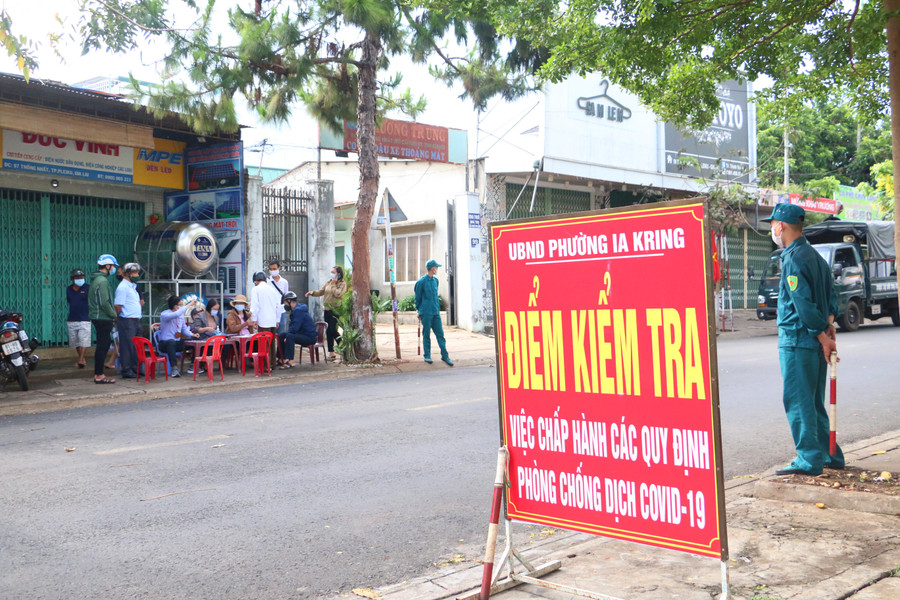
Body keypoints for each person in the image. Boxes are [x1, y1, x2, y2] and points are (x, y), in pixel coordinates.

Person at [762, 203, 843, 476]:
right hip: (815, 339)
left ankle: (809, 459)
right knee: (813, 400)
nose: (772, 228)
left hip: (798, 340)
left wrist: (822, 336)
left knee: (798, 401)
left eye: (772, 223)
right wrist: (829, 328)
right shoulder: (815, 256)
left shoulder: (793, 258)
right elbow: (832, 295)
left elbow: (802, 304)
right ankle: (830, 454)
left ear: (781, 226)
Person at [414, 259, 453, 366]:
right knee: (426, 334)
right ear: (432, 268)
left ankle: (445, 356)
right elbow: (417, 298)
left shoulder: (436, 281)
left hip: (435, 312)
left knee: (440, 334)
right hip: (426, 312)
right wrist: (419, 310)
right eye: (436, 267)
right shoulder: (421, 282)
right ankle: (427, 355)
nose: (437, 269)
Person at [305, 265, 347, 361]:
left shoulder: (342, 284)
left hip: (335, 310)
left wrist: (333, 284)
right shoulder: (329, 282)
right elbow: (322, 291)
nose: (331, 274)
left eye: (333, 272)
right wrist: (313, 293)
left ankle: (343, 347)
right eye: (331, 272)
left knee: (333, 330)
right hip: (327, 309)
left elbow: (338, 294)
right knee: (328, 331)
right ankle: (331, 352)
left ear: (339, 274)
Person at [88, 254, 119, 384]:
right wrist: (114, 315)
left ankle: (99, 373)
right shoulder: (102, 281)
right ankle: (99, 374)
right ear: (107, 266)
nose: (114, 269)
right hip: (102, 317)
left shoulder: (97, 280)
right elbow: (105, 302)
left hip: (98, 316)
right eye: (112, 266)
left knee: (104, 344)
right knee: (103, 345)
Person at [114, 262, 143, 379]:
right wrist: (117, 319)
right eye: (134, 272)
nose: (136, 275)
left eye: (137, 272)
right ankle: (126, 369)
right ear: (126, 274)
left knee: (137, 346)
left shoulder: (133, 286)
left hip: (135, 320)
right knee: (127, 346)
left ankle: (136, 368)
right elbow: (118, 306)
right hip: (126, 320)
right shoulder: (122, 287)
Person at [158, 296, 199, 377]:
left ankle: (193, 365)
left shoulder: (180, 316)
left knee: (193, 341)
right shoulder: (165, 314)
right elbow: (176, 314)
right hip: (165, 344)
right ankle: (174, 368)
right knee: (171, 342)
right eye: (180, 305)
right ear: (175, 306)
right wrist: (189, 304)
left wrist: (192, 334)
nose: (182, 306)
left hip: (177, 342)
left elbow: (184, 328)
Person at [249, 270, 283, 366]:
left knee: (263, 345)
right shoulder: (272, 289)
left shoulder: (255, 289)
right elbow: (278, 306)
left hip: (263, 322)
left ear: (255, 280)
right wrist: (277, 320)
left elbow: (255, 306)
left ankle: (265, 366)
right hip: (272, 321)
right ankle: (272, 364)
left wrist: (254, 319)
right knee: (272, 344)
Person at [278, 291, 317, 369]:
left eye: (285, 303)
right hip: (302, 334)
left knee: (290, 336)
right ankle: (281, 359)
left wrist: (288, 336)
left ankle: (291, 361)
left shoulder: (299, 310)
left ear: (289, 301)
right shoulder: (296, 309)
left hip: (310, 337)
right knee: (282, 335)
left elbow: (295, 327)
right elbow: (293, 327)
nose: (285, 305)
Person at [65, 268, 91, 369]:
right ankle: (81, 358)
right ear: (72, 279)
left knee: (83, 340)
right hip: (72, 318)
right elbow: (69, 301)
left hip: (84, 318)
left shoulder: (88, 288)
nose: (80, 279)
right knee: (75, 341)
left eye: (81, 277)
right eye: (77, 278)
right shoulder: (69, 289)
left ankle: (81, 359)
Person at [268, 259, 290, 342]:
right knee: (270, 334)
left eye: (274, 269)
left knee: (282, 333)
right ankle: (271, 352)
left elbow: (286, 296)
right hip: (270, 311)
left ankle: (280, 353)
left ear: (279, 268)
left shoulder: (284, 282)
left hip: (281, 311)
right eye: (271, 269)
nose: (272, 271)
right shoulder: (267, 282)